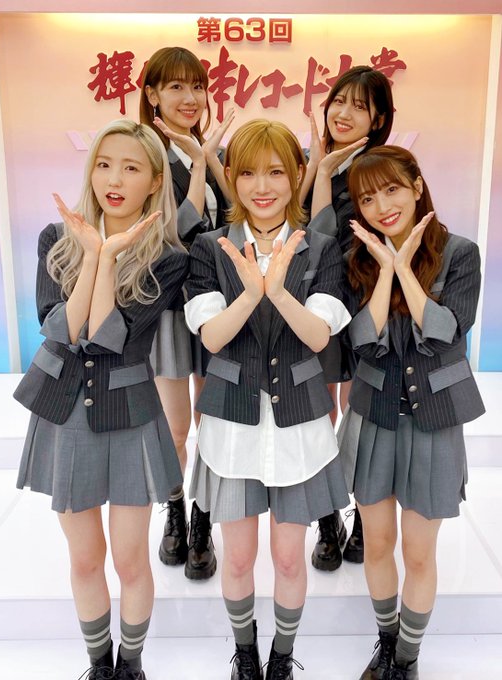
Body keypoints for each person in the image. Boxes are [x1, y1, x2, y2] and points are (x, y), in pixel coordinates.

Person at [14, 119, 189, 680]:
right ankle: (99, 665)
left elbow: (111, 337)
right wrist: (92, 256)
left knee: (130, 559)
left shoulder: (169, 258)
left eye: (131, 168)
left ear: (154, 181)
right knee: (85, 557)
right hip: (64, 409)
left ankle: (130, 666)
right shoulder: (55, 238)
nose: (114, 179)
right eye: (105, 164)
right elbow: (61, 331)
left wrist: (111, 258)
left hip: (130, 413)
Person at [184, 119, 352, 679]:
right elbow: (211, 337)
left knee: (286, 558)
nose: (262, 186)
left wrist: (276, 291)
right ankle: (246, 655)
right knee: (237, 557)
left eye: (277, 172)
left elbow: (319, 336)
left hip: (299, 425)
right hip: (231, 425)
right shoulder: (210, 247)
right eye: (249, 173)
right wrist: (251, 292)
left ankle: (281, 657)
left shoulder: (320, 248)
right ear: (231, 177)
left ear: (298, 175)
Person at [339, 145, 485, 679]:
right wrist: (385, 271)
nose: (382, 207)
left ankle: (406, 659)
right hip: (374, 417)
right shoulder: (355, 258)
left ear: (417, 186)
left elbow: (446, 332)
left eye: (392, 190)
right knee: (377, 543)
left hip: (434, 419)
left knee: (420, 553)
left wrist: (405, 269)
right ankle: (386, 643)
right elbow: (361, 340)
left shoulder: (459, 253)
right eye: (367, 198)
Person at [140, 46, 232, 580]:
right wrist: (198, 165)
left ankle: (203, 519)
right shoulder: (146, 153)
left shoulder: (207, 149)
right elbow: (177, 230)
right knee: (176, 428)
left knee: (210, 422)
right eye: (175, 86)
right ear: (152, 94)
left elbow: (238, 212)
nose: (189, 97)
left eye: (196, 86)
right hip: (172, 308)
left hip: (219, 306)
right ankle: (174, 512)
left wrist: (209, 159)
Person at [304, 65, 394, 573]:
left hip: (364, 305)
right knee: (320, 415)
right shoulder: (309, 162)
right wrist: (318, 172)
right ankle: (326, 520)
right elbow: (305, 241)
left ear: (377, 119)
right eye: (339, 101)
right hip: (314, 309)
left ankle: (362, 515)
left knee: (360, 413)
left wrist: (324, 175)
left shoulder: (376, 171)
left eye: (359, 106)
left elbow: (336, 244)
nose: (344, 113)